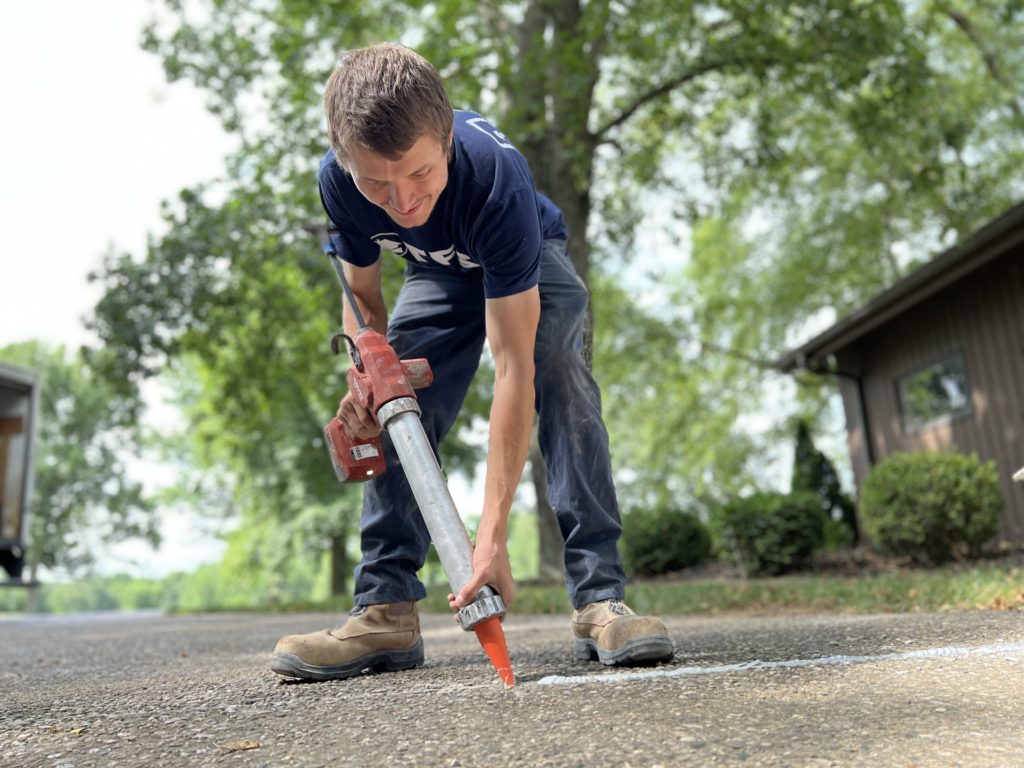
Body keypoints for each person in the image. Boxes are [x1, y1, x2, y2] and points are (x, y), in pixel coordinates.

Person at [271, 43, 673, 681]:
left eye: (420, 173)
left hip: (523, 255)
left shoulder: (494, 177)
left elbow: (512, 369)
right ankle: (386, 610)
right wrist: (365, 375)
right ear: (347, 163)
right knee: (394, 394)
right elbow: (364, 302)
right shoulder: (340, 185)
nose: (402, 202)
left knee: (562, 375)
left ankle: (600, 598)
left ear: (448, 137)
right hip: (434, 274)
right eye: (378, 182)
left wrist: (491, 537)